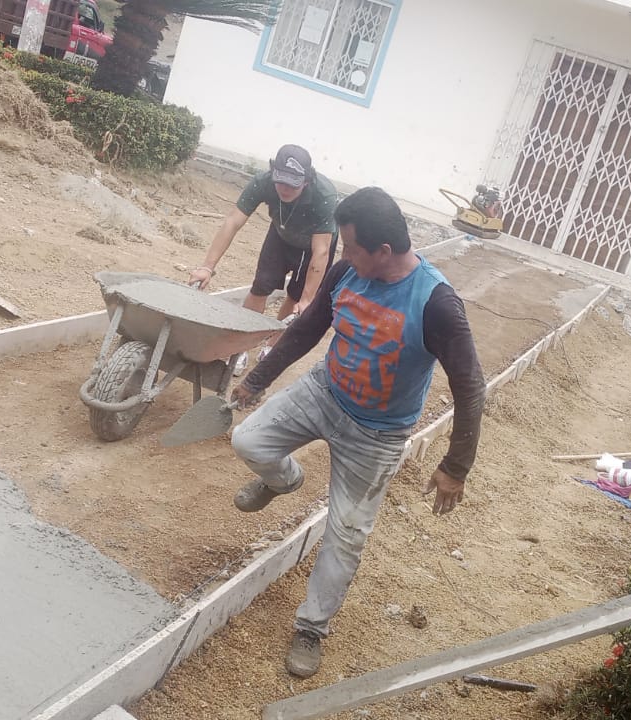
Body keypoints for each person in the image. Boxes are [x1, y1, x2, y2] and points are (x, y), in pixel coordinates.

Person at [224, 187, 485, 679]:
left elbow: (470, 386)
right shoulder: (348, 273)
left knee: (345, 535)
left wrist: (456, 465)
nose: (343, 256)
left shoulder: (436, 304)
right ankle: (284, 480)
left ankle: (311, 627)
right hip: (324, 392)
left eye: (352, 247)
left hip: (377, 434)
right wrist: (257, 380)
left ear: (384, 251)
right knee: (248, 441)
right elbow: (307, 330)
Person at [189, 144, 340, 374]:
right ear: (273, 172)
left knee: (296, 297)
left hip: (315, 244)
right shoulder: (263, 181)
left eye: (292, 184)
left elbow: (321, 251)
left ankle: (272, 347)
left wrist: (307, 299)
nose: (284, 189)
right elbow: (233, 222)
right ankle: (239, 349)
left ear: (306, 181)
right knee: (261, 286)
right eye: (280, 181)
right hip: (281, 233)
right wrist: (206, 268)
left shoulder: (324, 195)